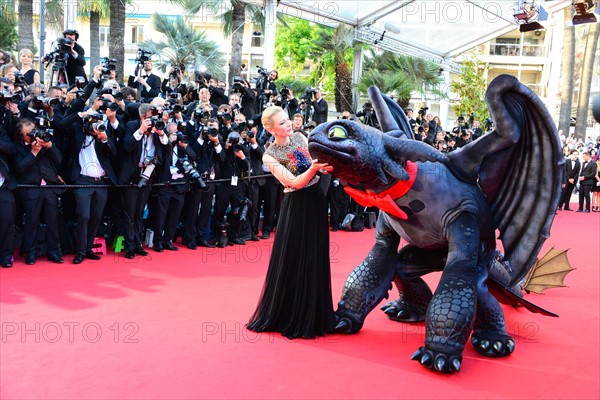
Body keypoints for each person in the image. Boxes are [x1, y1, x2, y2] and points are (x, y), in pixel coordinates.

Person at [247, 106, 336, 339]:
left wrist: (323, 168)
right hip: (295, 206)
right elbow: (293, 182)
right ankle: (292, 315)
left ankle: (316, 314)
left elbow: (313, 165)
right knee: (296, 257)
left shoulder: (300, 137)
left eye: (288, 121)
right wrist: (315, 169)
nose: (289, 125)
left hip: (316, 201)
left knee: (315, 256)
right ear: (270, 128)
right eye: (283, 123)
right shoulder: (270, 155)